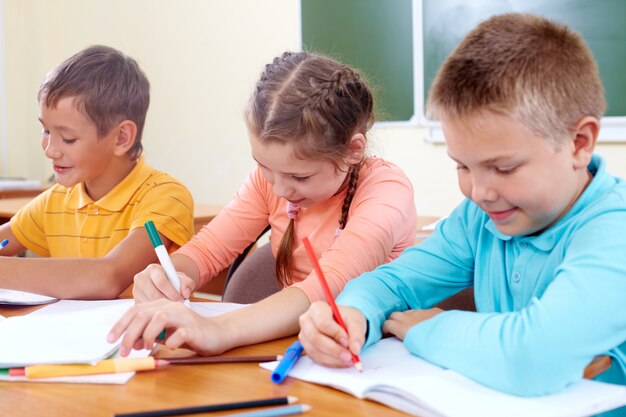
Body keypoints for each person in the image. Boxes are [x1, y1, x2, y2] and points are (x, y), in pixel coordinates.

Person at [298, 13, 626, 404]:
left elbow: (532, 358)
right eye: (462, 166)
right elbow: (392, 282)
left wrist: (432, 327)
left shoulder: (613, 231)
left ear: (579, 143)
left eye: (503, 168)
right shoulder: (480, 219)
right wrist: (353, 314)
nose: (479, 191)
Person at [108, 51, 417, 356]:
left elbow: (329, 287)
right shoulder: (267, 182)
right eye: (265, 166)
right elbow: (208, 249)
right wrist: (165, 277)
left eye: (300, 176)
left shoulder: (386, 191)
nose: (280, 189)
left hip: (375, 349)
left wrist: (220, 330)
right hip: (298, 345)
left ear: (352, 150)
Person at [0, 45, 194, 299]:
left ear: (122, 138)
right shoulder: (55, 201)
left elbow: (107, 277)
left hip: (143, 337)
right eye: (46, 131)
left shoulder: (166, 197)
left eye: (68, 139)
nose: (49, 150)